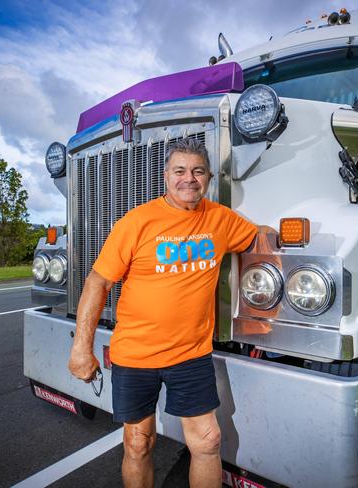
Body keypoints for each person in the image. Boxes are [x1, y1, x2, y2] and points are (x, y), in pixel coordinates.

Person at [68, 137, 257, 488]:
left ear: (209, 177)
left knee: (208, 441)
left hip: (191, 354)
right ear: (166, 176)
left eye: (198, 171)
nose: (189, 178)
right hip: (136, 355)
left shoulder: (220, 220)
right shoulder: (137, 222)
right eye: (180, 171)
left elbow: (258, 238)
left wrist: (291, 236)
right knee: (138, 443)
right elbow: (97, 282)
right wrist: (81, 347)